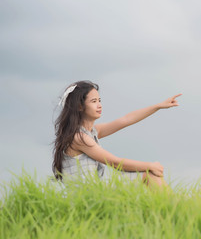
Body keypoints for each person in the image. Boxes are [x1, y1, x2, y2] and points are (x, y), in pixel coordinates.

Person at [52, 80, 182, 189]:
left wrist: (158, 106)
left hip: (98, 190)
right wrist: (150, 165)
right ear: (80, 106)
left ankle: (174, 211)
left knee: (150, 175)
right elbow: (115, 163)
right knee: (149, 174)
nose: (99, 105)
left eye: (99, 100)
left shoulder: (92, 132)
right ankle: (177, 212)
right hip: (88, 197)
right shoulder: (79, 138)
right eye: (94, 101)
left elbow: (126, 119)